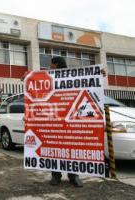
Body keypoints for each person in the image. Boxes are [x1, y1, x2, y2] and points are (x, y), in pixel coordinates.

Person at [49, 56, 83, 187]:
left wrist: (99, 74)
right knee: (55, 147)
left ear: (56, 65)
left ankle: (73, 176)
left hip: (70, 119)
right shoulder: (49, 77)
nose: (49, 66)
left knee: (71, 147)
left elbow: (88, 82)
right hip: (56, 119)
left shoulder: (72, 77)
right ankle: (55, 175)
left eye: (51, 64)